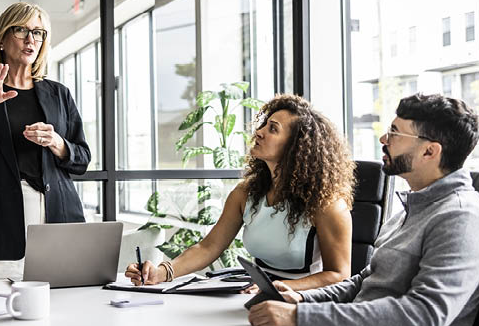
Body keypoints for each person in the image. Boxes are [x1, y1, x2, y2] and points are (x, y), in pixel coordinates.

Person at [248, 94, 479, 326]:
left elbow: (423, 317)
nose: (384, 139)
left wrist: (299, 318)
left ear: (429, 151)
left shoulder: (461, 218)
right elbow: (365, 281)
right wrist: (301, 299)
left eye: (395, 133)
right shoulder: (412, 209)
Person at [126, 94, 356, 291]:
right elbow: (209, 247)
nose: (259, 132)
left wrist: (282, 287)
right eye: (264, 124)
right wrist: (162, 272)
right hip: (253, 293)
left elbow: (338, 274)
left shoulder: (327, 205)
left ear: (296, 147)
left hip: (302, 300)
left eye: (272, 129)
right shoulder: (246, 193)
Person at [0, 2, 90, 281]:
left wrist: (58, 143)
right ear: (2, 38)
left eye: (38, 32)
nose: (31, 39)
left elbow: (82, 158)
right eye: (21, 30)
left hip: (58, 214)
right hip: (1, 219)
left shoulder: (59, 94)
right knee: (0, 309)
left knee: (66, 302)